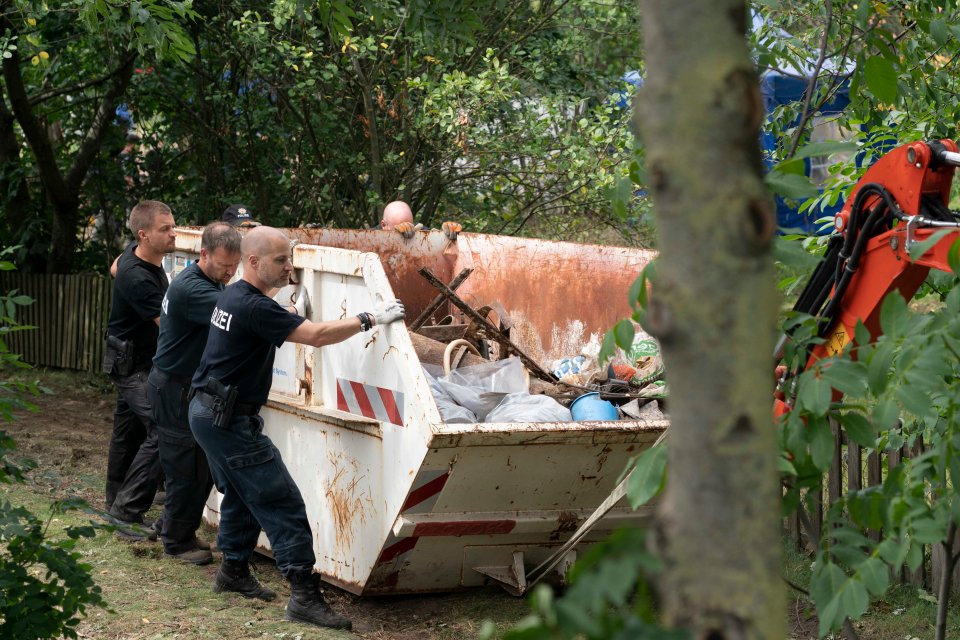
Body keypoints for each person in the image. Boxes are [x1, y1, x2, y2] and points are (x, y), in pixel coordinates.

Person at [188, 226, 404, 630]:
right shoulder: (255, 307)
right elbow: (316, 336)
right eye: (281, 260)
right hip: (226, 419)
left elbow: (273, 323)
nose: (290, 266)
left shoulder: (234, 296)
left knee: (240, 491)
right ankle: (304, 595)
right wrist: (369, 318)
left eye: (290, 258)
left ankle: (233, 570)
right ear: (252, 262)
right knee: (280, 499)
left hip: (209, 411)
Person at [146, 221, 242, 565]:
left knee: (199, 466)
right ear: (204, 254)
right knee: (185, 467)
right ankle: (175, 541)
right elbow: (237, 313)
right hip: (174, 387)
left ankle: (177, 528)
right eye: (223, 265)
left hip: (184, 385)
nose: (230, 272)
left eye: (234, 265)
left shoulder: (203, 280)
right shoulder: (195, 290)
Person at [103, 200, 176, 531]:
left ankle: (115, 500)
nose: (174, 233)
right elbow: (171, 328)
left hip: (137, 357)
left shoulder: (137, 254)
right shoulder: (138, 279)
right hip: (131, 364)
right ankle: (127, 509)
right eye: (166, 229)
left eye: (173, 225)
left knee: (127, 432)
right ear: (144, 235)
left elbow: (115, 266)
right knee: (164, 428)